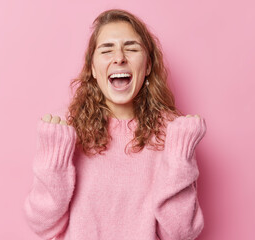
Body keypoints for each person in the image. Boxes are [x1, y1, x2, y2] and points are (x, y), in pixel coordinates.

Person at [23, 8, 207, 240]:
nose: (119, 57)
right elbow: (43, 225)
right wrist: (54, 160)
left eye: (131, 48)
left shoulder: (173, 133)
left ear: (148, 66)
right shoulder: (64, 128)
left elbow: (181, 233)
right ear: (92, 68)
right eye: (107, 49)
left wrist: (179, 159)